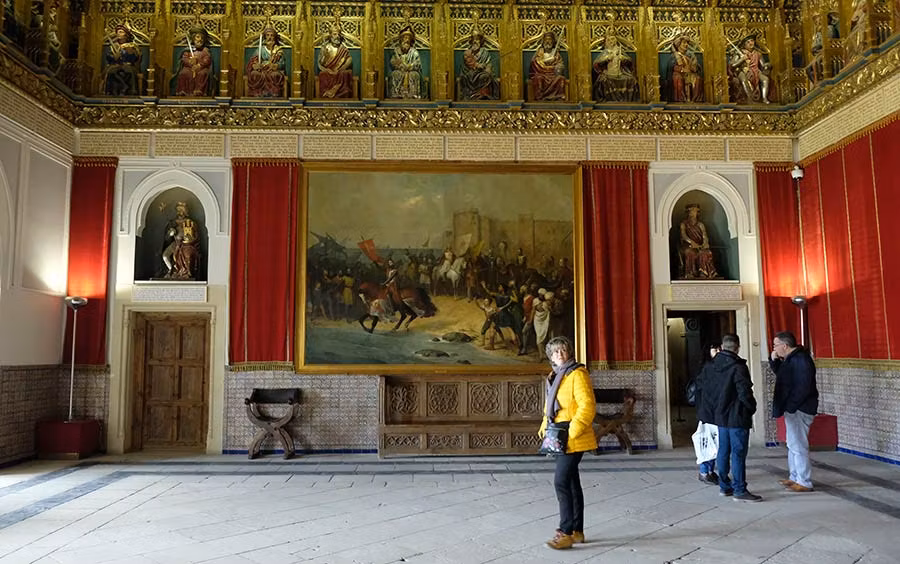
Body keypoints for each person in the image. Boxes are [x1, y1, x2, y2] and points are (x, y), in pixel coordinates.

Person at [538, 336, 597, 549]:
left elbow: (587, 405)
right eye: (555, 352)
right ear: (550, 356)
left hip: (572, 436)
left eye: (563, 350)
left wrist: (573, 431)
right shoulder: (555, 376)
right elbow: (551, 406)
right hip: (559, 436)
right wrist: (545, 425)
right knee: (571, 483)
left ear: (569, 352)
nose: (559, 354)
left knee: (560, 482)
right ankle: (577, 531)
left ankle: (564, 532)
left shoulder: (577, 373)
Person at [706, 333, 760, 502]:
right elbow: (744, 392)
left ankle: (724, 486)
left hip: (720, 415)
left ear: (722, 346)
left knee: (723, 450)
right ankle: (739, 489)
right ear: (737, 347)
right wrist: (751, 407)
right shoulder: (738, 366)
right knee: (738, 453)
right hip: (737, 415)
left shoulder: (712, 365)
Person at [770, 331, 818, 493]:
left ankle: (804, 481)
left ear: (785, 345)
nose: (774, 348)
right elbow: (784, 376)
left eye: (776, 345)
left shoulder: (801, 359)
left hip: (800, 408)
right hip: (793, 408)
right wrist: (774, 361)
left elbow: (803, 387)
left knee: (799, 445)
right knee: (792, 444)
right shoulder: (791, 359)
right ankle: (794, 476)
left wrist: (791, 405)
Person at [693, 342, 721, 484]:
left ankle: (710, 470)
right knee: (706, 442)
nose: (718, 351)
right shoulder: (706, 368)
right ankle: (704, 471)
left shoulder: (716, 366)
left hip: (715, 411)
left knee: (715, 443)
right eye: (714, 348)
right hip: (707, 411)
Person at [592, 35, 638, 102]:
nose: (611, 42)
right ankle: (608, 100)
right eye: (609, 40)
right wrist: (606, 59)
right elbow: (596, 64)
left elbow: (629, 62)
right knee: (603, 81)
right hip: (608, 73)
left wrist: (623, 59)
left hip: (620, 72)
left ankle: (627, 100)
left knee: (631, 79)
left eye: (613, 39)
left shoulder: (619, 51)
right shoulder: (605, 52)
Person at [162, 201, 200, 280]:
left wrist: (189, 240)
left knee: (187, 254)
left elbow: (195, 236)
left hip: (187, 245)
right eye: (179, 210)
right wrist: (170, 233)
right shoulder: (172, 222)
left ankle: (185, 272)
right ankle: (171, 270)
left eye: (182, 211)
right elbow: (166, 237)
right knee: (165, 256)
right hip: (176, 243)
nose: (180, 213)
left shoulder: (190, 222)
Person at [679, 204, 718, 279]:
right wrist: (691, 242)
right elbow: (684, 235)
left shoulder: (700, 224)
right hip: (689, 245)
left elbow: (704, 235)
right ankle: (690, 272)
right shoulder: (684, 224)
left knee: (705, 253)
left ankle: (703, 272)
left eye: (694, 211)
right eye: (691, 211)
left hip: (699, 246)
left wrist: (705, 243)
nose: (692, 213)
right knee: (690, 252)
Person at [246, 27, 286, 97]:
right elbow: (253, 61)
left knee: (275, 75)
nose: (269, 37)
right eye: (267, 35)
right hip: (261, 70)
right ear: (265, 37)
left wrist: (276, 66)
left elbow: (282, 64)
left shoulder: (278, 50)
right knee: (254, 74)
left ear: (274, 37)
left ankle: (273, 93)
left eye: (271, 35)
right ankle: (257, 93)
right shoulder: (260, 49)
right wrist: (255, 65)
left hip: (272, 70)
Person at [458, 30, 498, 100]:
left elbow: (489, 64)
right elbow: (464, 65)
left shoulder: (485, 52)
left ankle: (482, 94)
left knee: (485, 76)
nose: (475, 42)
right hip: (469, 72)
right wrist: (475, 65)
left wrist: (486, 68)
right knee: (464, 77)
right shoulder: (467, 52)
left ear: (480, 41)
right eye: (473, 39)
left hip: (481, 73)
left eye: (477, 39)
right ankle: (469, 95)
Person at [174, 27, 214, 96]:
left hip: (201, 68)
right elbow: (184, 59)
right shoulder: (188, 50)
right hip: (189, 68)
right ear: (193, 38)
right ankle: (183, 91)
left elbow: (207, 59)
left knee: (202, 74)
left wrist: (199, 65)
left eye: (202, 38)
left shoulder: (205, 50)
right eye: (198, 37)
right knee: (183, 73)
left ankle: (199, 91)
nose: (200, 39)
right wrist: (190, 62)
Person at [729, 36, 770, 104]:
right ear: (744, 45)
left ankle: (764, 98)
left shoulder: (757, 53)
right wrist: (741, 59)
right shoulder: (740, 53)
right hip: (743, 70)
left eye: (752, 41)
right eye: (748, 42)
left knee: (765, 79)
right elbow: (733, 65)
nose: (751, 43)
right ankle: (750, 99)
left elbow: (763, 65)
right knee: (744, 80)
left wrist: (767, 66)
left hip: (755, 70)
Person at [103, 25, 142, 96]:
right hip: (115, 65)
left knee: (128, 71)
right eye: (118, 32)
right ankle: (114, 91)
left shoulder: (132, 45)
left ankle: (131, 91)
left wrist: (125, 52)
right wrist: (113, 57)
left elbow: (135, 58)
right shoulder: (113, 46)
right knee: (111, 71)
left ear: (126, 34)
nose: (119, 34)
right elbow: (108, 57)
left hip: (128, 65)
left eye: (121, 32)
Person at [317, 24, 354, 98]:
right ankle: (327, 93)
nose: (337, 36)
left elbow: (349, 59)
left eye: (338, 34)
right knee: (323, 75)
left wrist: (342, 67)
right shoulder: (325, 48)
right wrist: (326, 69)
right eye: (334, 34)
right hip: (328, 72)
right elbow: (320, 64)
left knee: (345, 74)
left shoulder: (343, 49)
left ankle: (342, 93)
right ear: (330, 35)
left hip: (339, 71)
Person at [529, 31, 567, 101]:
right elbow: (534, 63)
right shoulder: (540, 52)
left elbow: (560, 64)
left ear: (553, 42)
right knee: (538, 78)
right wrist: (546, 61)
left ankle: (557, 97)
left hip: (553, 74)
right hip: (541, 73)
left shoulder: (556, 54)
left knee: (560, 78)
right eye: (546, 40)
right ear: (543, 42)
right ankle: (540, 98)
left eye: (550, 40)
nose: (548, 42)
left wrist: (558, 67)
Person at [389, 27, 422, 99]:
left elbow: (417, 63)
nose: (406, 40)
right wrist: (398, 64)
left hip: (410, 71)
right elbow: (392, 62)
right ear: (402, 39)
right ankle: (396, 93)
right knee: (396, 74)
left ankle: (413, 94)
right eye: (405, 38)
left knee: (414, 75)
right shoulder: (397, 51)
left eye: (408, 38)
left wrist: (410, 66)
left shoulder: (414, 52)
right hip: (400, 70)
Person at [669, 36, 703, 102]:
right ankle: (680, 99)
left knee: (698, 79)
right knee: (678, 78)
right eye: (684, 43)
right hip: (679, 74)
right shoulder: (674, 56)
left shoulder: (690, 55)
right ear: (679, 44)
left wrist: (693, 67)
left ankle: (695, 100)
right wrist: (681, 69)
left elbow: (696, 67)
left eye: (687, 43)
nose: (686, 45)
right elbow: (671, 67)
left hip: (690, 73)